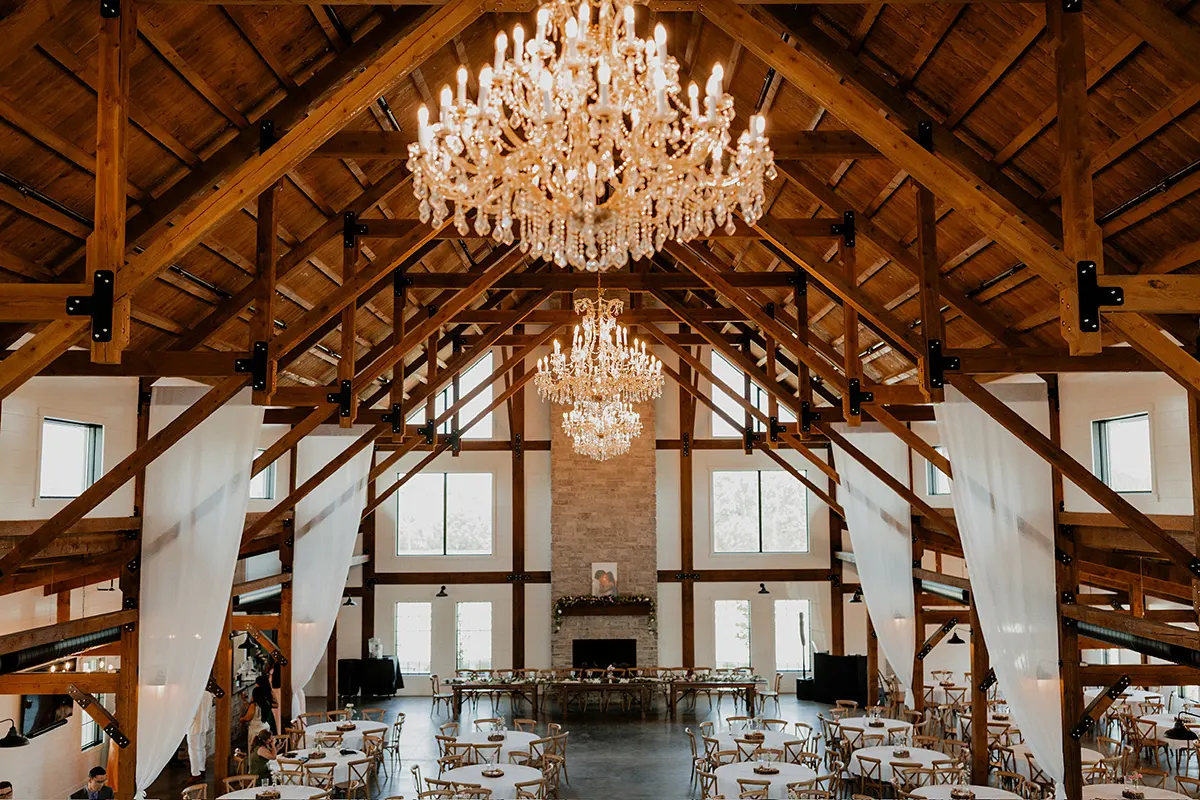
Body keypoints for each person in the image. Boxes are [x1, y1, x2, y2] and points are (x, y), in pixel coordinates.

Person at [240, 673, 278, 751]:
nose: (256, 684)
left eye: (256, 683)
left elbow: (276, 704)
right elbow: (251, 706)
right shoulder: (258, 696)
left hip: (265, 717)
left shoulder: (260, 693)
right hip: (264, 717)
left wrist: (266, 705)